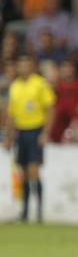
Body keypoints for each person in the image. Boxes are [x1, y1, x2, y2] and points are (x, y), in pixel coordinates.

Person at [2, 55, 55, 222]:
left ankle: (39, 209)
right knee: (22, 172)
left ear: (32, 66)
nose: (23, 68)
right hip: (20, 131)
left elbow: (50, 108)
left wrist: (45, 132)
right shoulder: (15, 86)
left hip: (35, 130)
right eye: (20, 65)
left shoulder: (39, 84)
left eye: (26, 64)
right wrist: (9, 136)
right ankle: (24, 211)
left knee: (34, 171)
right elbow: (11, 114)